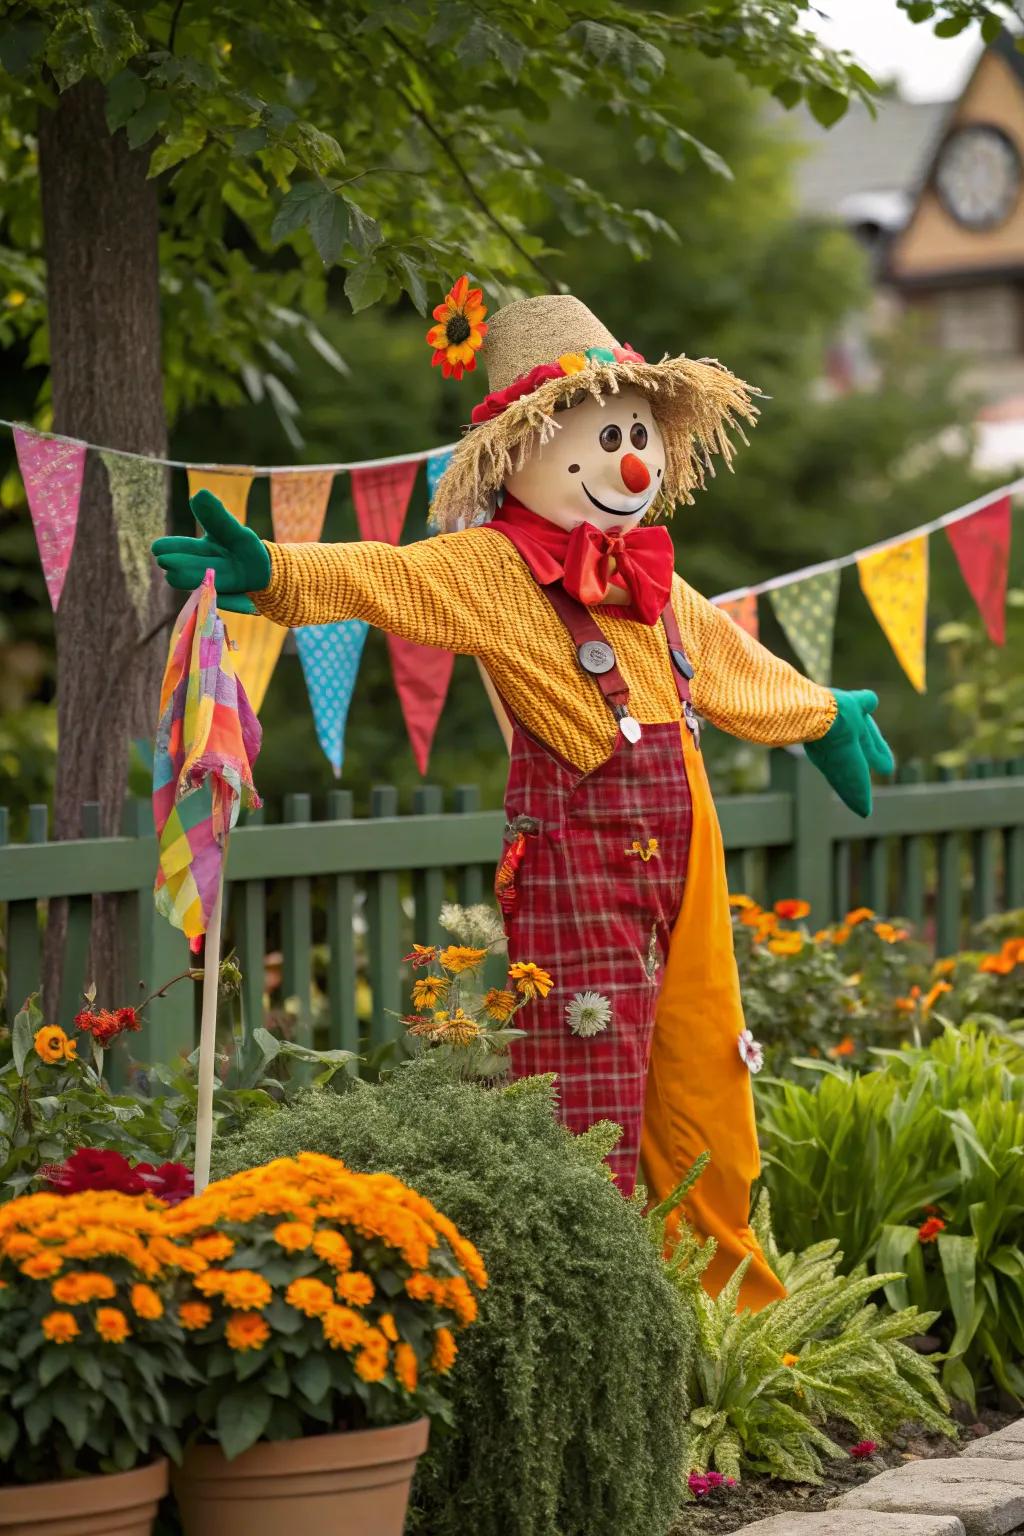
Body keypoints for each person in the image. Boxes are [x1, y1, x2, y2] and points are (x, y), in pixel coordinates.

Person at [154, 285, 893, 1309]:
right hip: (580, 849)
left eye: (635, 437)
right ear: (523, 454)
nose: (629, 462)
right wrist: (273, 568)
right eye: (598, 442)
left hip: (688, 834)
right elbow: (384, 575)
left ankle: (725, 1313)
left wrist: (821, 714)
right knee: (587, 1078)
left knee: (704, 1065)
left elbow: (728, 659)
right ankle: (601, 1315)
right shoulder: (493, 567)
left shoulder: (649, 578)